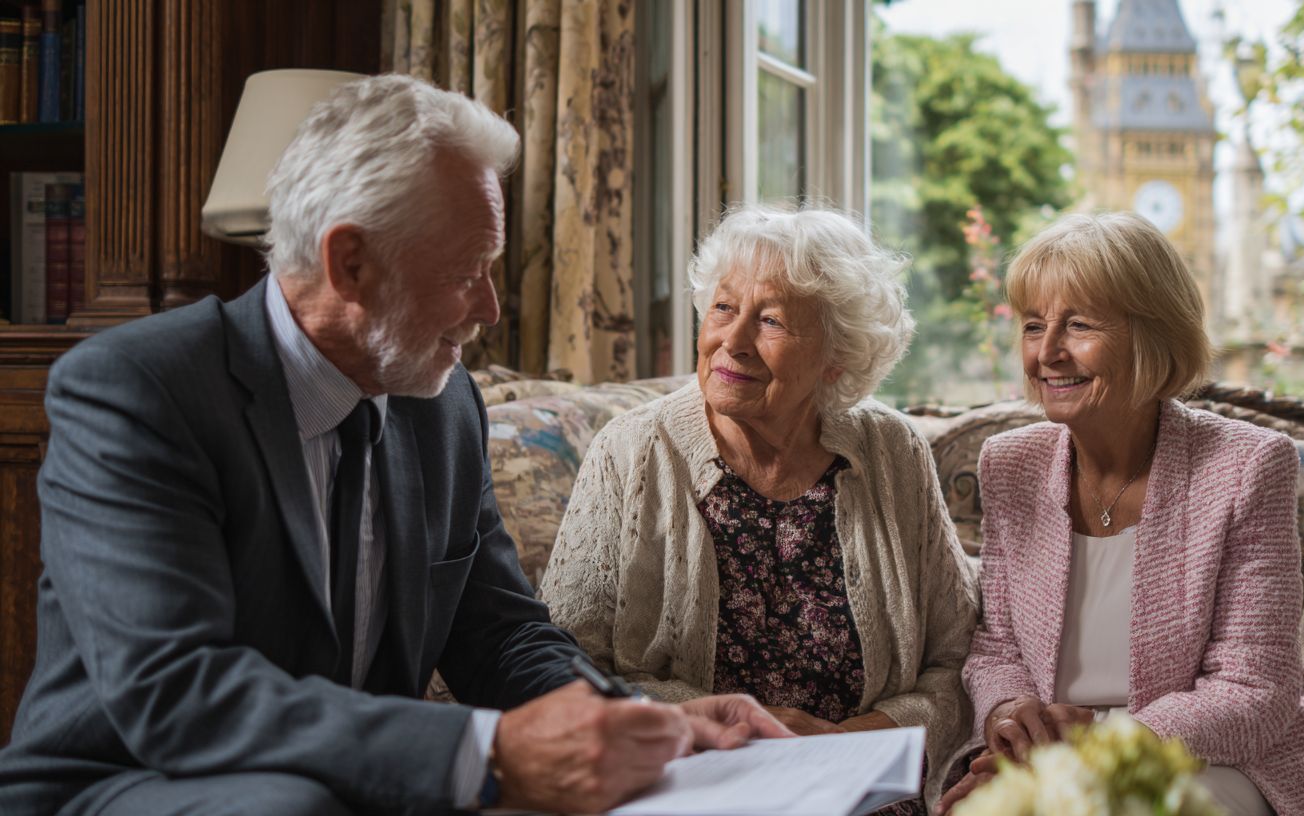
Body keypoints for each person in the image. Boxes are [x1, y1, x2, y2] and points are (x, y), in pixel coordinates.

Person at [0, 74, 788, 816]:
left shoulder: (441, 406)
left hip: (347, 784)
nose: (488, 306)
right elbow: (175, 690)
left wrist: (646, 723)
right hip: (124, 784)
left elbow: (501, 636)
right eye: (466, 272)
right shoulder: (141, 390)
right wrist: (488, 748)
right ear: (349, 262)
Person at [937, 212, 1304, 816]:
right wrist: (1008, 714)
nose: (1047, 352)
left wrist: (1105, 749)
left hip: (1205, 754)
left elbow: (1255, 689)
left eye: (1077, 325)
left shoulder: (1247, 464)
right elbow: (997, 647)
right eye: (1033, 325)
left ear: (1151, 336)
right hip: (1056, 754)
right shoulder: (1009, 463)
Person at [540, 205, 980, 815]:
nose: (733, 341)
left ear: (837, 356)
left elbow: (958, 661)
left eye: (770, 320)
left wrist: (851, 739)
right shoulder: (633, 451)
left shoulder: (892, 452)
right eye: (723, 308)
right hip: (685, 793)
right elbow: (562, 664)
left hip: (864, 799)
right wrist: (721, 736)